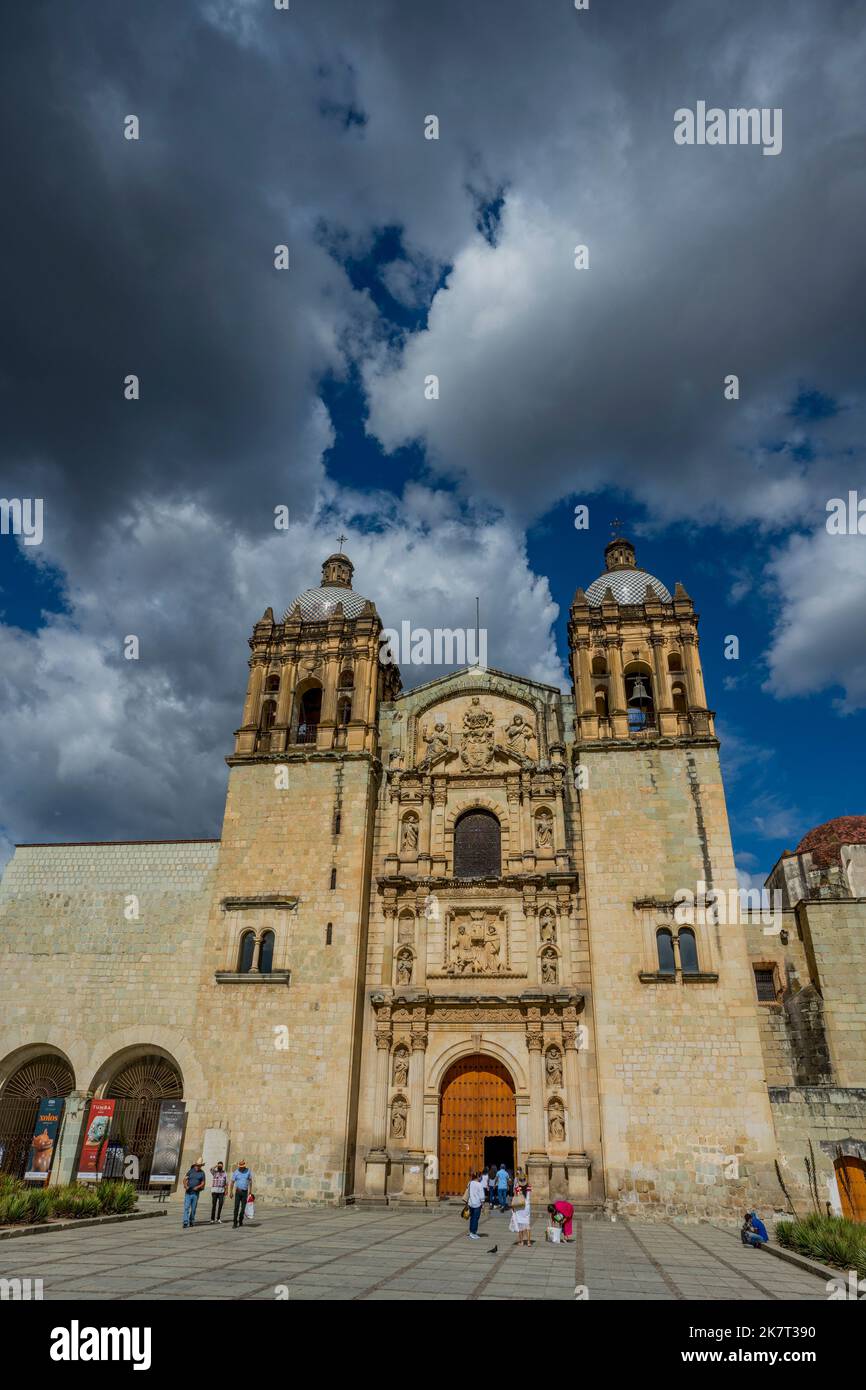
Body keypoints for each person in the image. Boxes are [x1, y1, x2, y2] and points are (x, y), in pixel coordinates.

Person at [229, 1159, 254, 1227]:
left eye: (242, 1166)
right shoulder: (236, 1172)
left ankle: (240, 1219)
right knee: (236, 1207)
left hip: (245, 1192)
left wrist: (250, 1191)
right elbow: (232, 1182)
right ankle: (234, 1222)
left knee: (243, 1208)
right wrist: (231, 1192)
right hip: (238, 1192)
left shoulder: (248, 1171)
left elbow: (250, 1181)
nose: (241, 1167)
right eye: (240, 1166)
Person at [182, 1159, 206, 1228]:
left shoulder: (202, 1173)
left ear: (201, 1166)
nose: (198, 1167)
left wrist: (198, 1187)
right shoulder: (190, 1171)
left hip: (195, 1193)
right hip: (188, 1192)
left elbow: (203, 1183)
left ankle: (191, 1221)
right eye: (197, 1165)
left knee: (193, 1208)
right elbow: (184, 1179)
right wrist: (186, 1186)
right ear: (195, 1165)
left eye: (199, 1166)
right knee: (186, 1207)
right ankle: (185, 1222)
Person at [510, 1176, 532, 1246]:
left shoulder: (517, 1188)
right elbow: (529, 1187)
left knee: (520, 1225)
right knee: (527, 1225)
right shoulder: (529, 1187)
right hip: (527, 1207)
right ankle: (528, 1242)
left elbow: (515, 1196)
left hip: (520, 1207)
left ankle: (521, 1242)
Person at [466, 1170, 486, 1239]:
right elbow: (482, 1196)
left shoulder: (470, 1183)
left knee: (472, 1218)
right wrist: (483, 1205)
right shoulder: (479, 1185)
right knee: (475, 1218)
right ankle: (473, 1232)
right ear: (478, 1177)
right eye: (481, 1177)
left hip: (470, 1203)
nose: (481, 1178)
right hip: (477, 1203)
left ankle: (471, 1231)